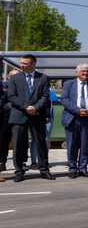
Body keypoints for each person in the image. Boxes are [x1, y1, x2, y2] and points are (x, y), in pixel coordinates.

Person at [7, 54, 55, 182]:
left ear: (33, 64)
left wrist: (35, 107)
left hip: (37, 115)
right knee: (18, 145)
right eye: (21, 63)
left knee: (41, 144)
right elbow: (11, 96)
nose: (21, 65)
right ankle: (19, 172)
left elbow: (45, 96)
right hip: (19, 115)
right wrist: (27, 107)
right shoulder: (15, 78)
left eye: (25, 63)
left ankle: (44, 170)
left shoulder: (43, 78)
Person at [60, 64, 88, 178]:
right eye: (83, 71)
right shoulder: (68, 84)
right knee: (72, 145)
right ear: (77, 72)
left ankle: (83, 168)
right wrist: (77, 110)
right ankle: (72, 169)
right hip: (73, 118)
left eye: (87, 71)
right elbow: (64, 99)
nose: (85, 73)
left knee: (86, 145)